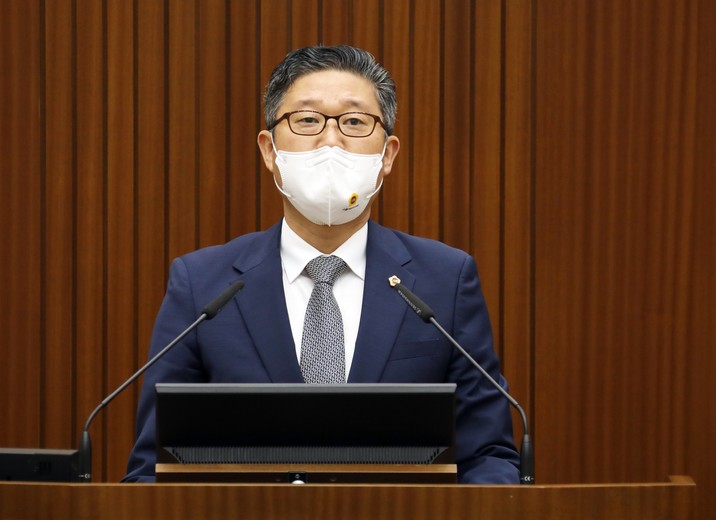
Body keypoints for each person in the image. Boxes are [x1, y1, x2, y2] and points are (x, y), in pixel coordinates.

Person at [123, 45, 520, 484]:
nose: (331, 141)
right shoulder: (203, 285)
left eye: (354, 122)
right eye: (308, 120)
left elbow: (489, 456)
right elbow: (152, 470)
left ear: (387, 155)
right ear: (269, 150)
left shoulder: (444, 280)